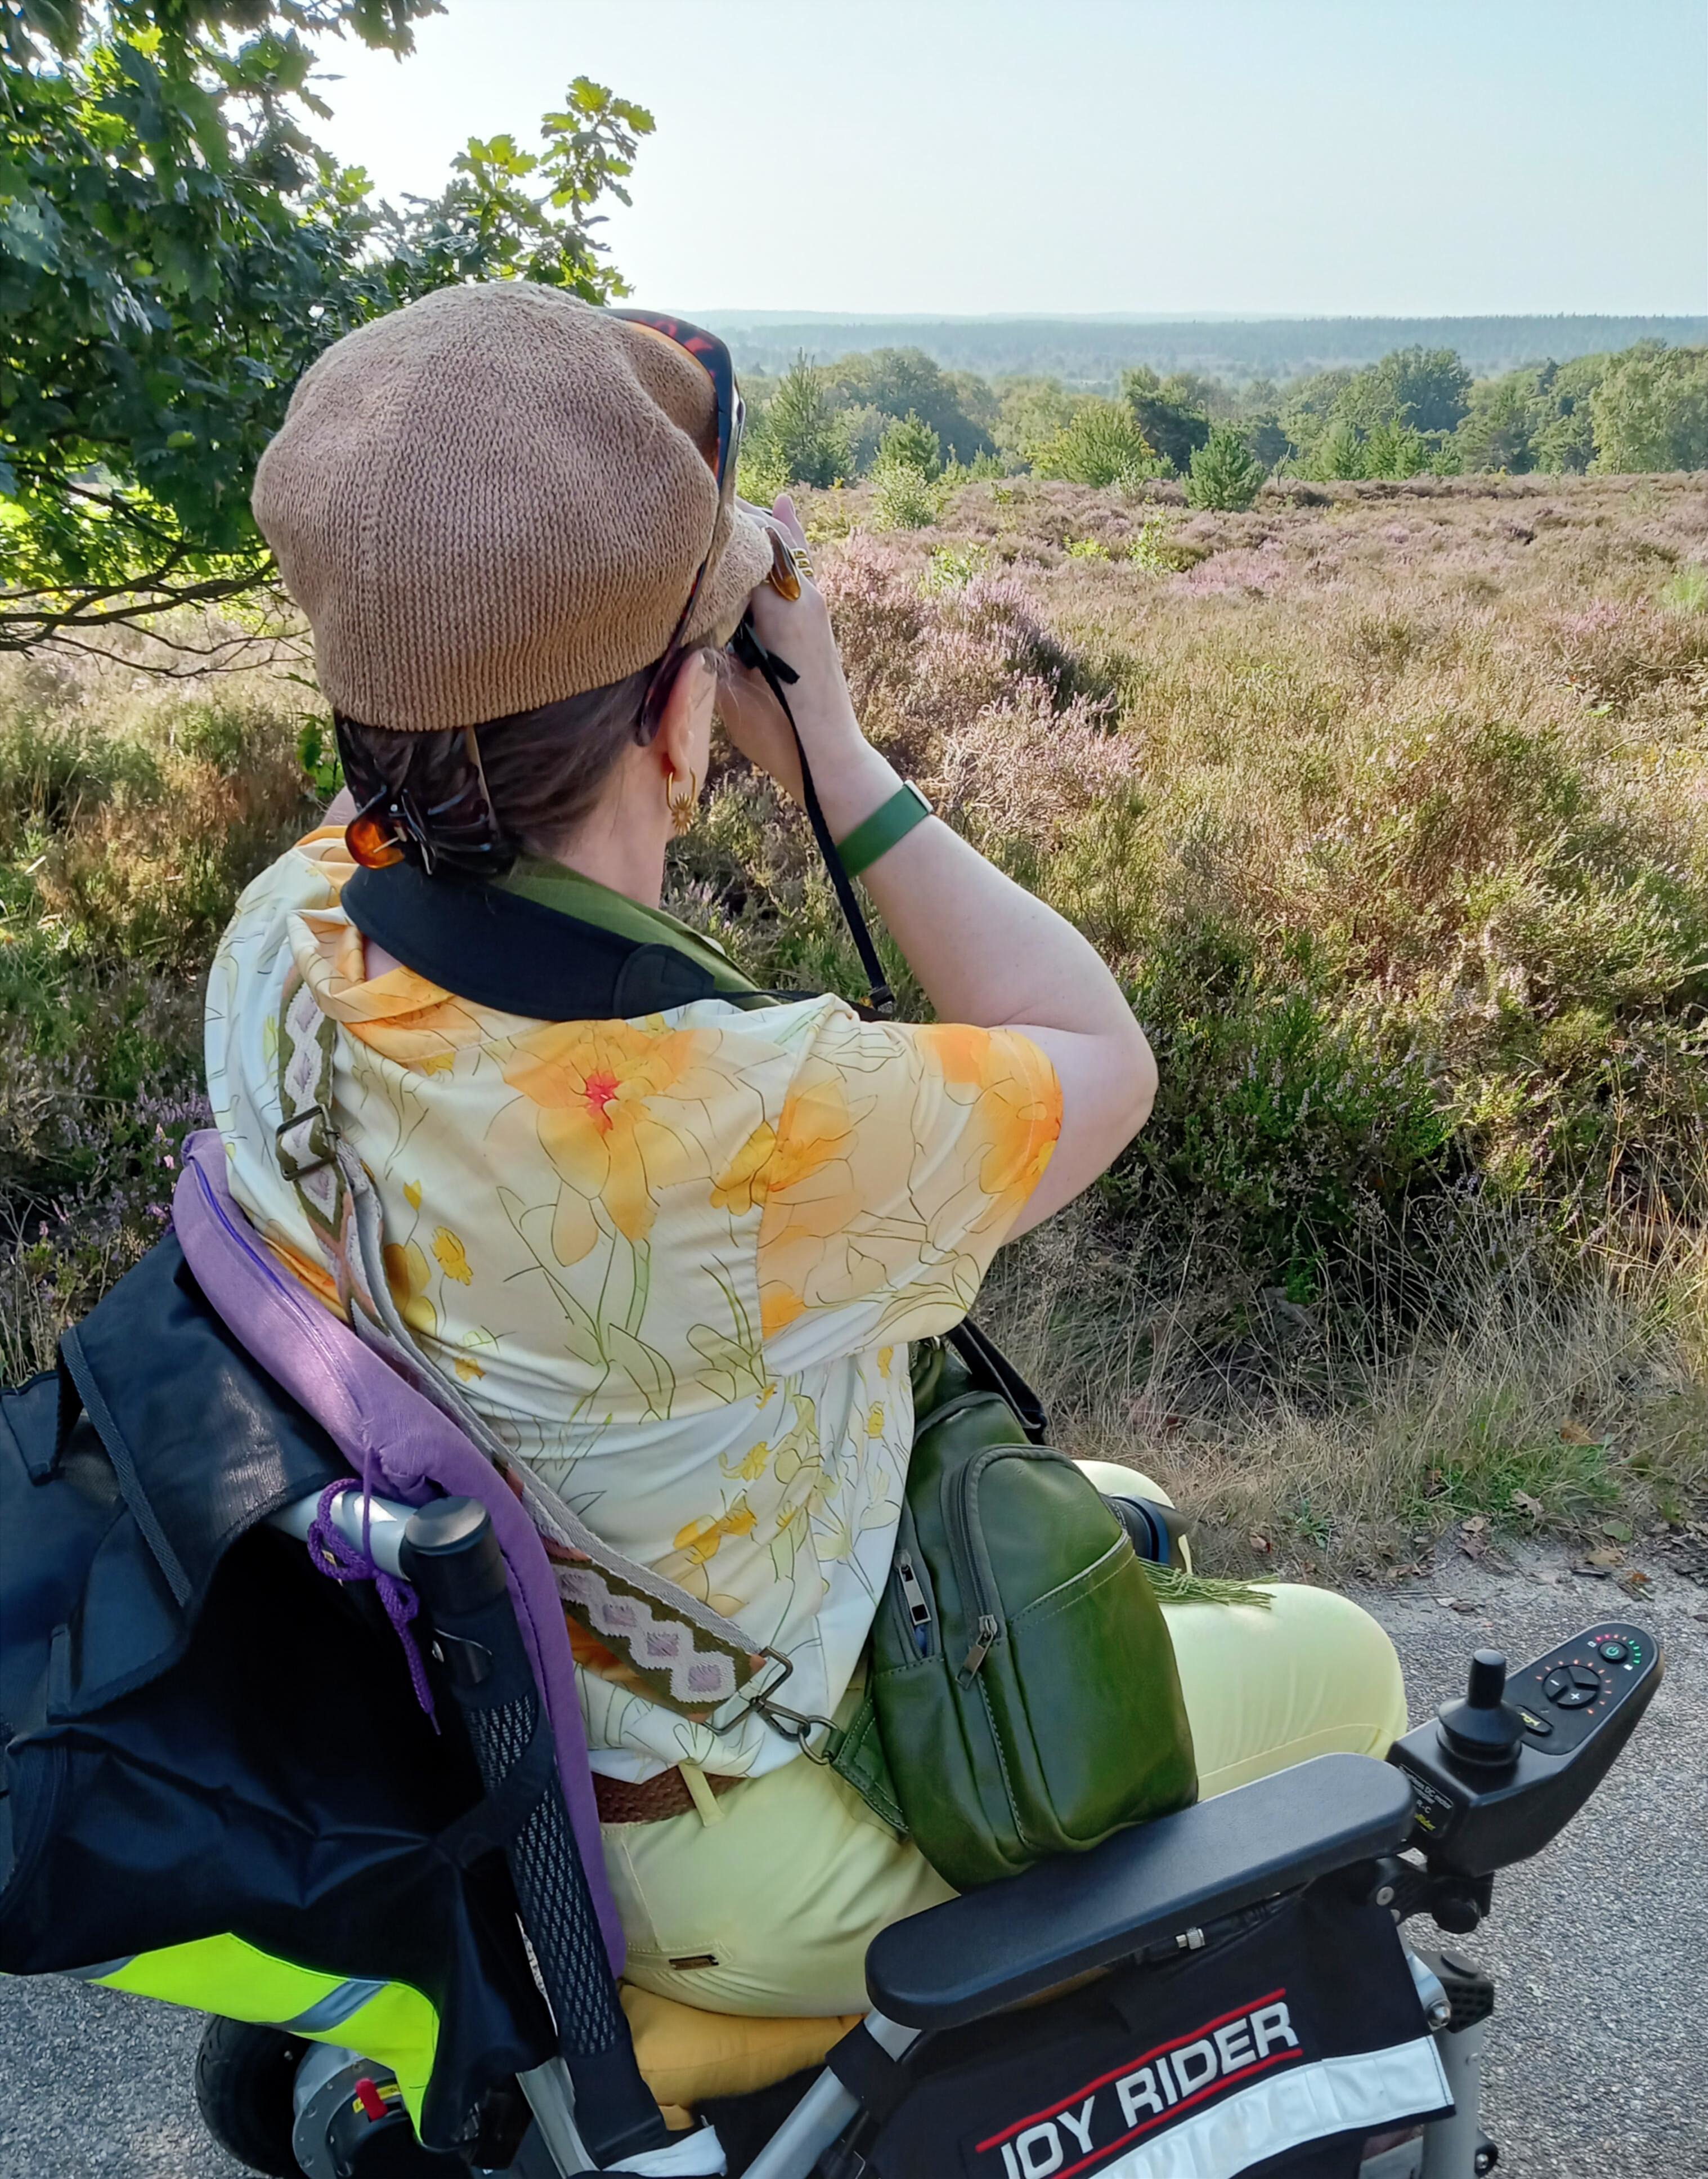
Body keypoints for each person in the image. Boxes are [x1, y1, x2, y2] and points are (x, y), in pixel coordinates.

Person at [208, 280, 1406, 2023]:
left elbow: (410, 751)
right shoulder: (725, 1122)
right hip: (738, 1841)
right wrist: (835, 754)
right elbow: (1101, 1061)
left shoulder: (288, 936)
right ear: (685, 725)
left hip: (505, 1727)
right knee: (1345, 1659)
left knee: (1130, 1518)